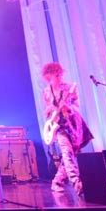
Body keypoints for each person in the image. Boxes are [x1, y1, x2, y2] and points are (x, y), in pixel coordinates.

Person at [41, 62, 94, 195]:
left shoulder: (70, 88)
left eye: (60, 74)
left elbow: (76, 105)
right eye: (56, 74)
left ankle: (57, 182)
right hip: (59, 127)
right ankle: (76, 182)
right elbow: (47, 111)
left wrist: (68, 108)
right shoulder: (46, 92)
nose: (59, 76)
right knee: (67, 153)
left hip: (73, 125)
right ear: (48, 76)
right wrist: (50, 112)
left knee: (70, 154)